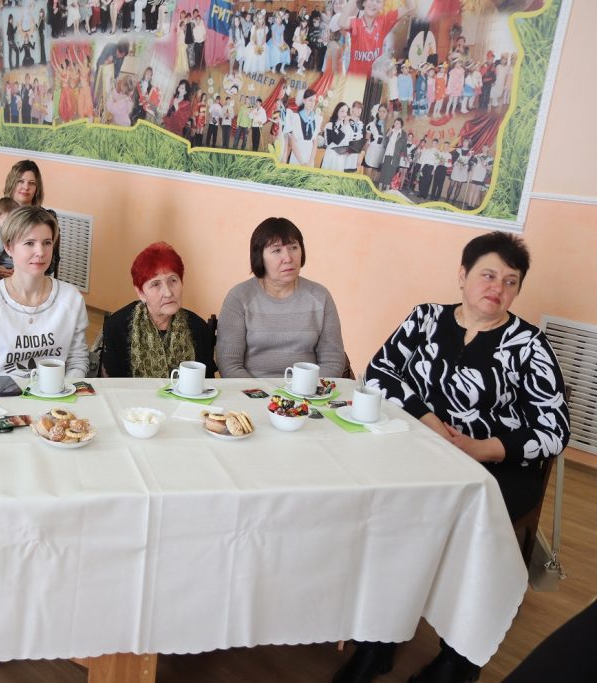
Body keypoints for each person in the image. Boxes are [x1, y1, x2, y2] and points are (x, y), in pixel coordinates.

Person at [334, 232, 571, 683]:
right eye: (488, 275)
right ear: (462, 276)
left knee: (460, 526)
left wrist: (481, 448)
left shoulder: (528, 345)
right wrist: (431, 424)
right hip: (416, 450)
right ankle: (378, 640)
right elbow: (379, 372)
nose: (497, 288)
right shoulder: (425, 318)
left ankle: (459, 659)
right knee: (383, 511)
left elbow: (554, 430)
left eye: (510, 282)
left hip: (495, 470)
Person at [0, 205, 88, 379]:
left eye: (47, 243)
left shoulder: (71, 298)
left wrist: (62, 388)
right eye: (29, 243)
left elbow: (77, 360)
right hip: (1, 393)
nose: (40, 252)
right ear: (8, 247)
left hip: (57, 393)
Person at [216, 217, 346, 378]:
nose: (288, 258)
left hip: (308, 390)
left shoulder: (320, 296)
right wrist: (258, 392)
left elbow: (333, 362)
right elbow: (229, 364)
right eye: (277, 250)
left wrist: (306, 389)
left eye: (293, 247)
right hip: (251, 390)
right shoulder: (239, 297)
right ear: (259, 256)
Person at [102, 241, 214, 378]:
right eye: (155, 284)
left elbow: (208, 382)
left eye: (173, 280)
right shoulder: (117, 327)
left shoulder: (198, 327)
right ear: (141, 293)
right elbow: (112, 384)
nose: (168, 293)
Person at [0, 159, 59, 277]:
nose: (26, 187)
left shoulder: (46, 217)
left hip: (31, 277)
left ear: (37, 188)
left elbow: (52, 263)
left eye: (32, 183)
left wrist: (22, 269)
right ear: (12, 183)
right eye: (20, 181)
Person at [285, 88, 323, 167]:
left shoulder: (317, 119)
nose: (312, 103)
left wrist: (311, 161)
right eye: (310, 100)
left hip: (309, 157)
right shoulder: (296, 117)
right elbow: (293, 142)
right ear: (304, 100)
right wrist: (302, 162)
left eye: (314, 100)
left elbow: (315, 143)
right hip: (297, 157)